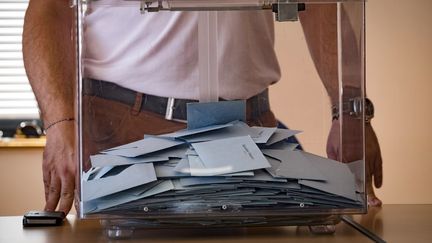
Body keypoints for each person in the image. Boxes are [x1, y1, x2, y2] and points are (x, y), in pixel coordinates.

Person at [22, 0, 382, 215]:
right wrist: (59, 124)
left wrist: (349, 110)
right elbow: (49, 8)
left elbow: (317, 4)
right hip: (125, 128)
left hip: (251, 129)